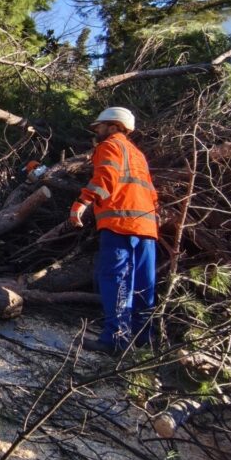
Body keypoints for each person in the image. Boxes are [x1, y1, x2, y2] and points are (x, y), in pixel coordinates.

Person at [67, 107, 159, 354]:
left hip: (121, 226)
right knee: (144, 284)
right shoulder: (137, 154)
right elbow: (152, 193)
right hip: (146, 227)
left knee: (117, 280)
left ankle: (116, 340)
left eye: (100, 126)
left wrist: (81, 203)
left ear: (114, 126)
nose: (96, 130)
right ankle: (143, 339)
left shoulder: (110, 146)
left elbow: (106, 178)